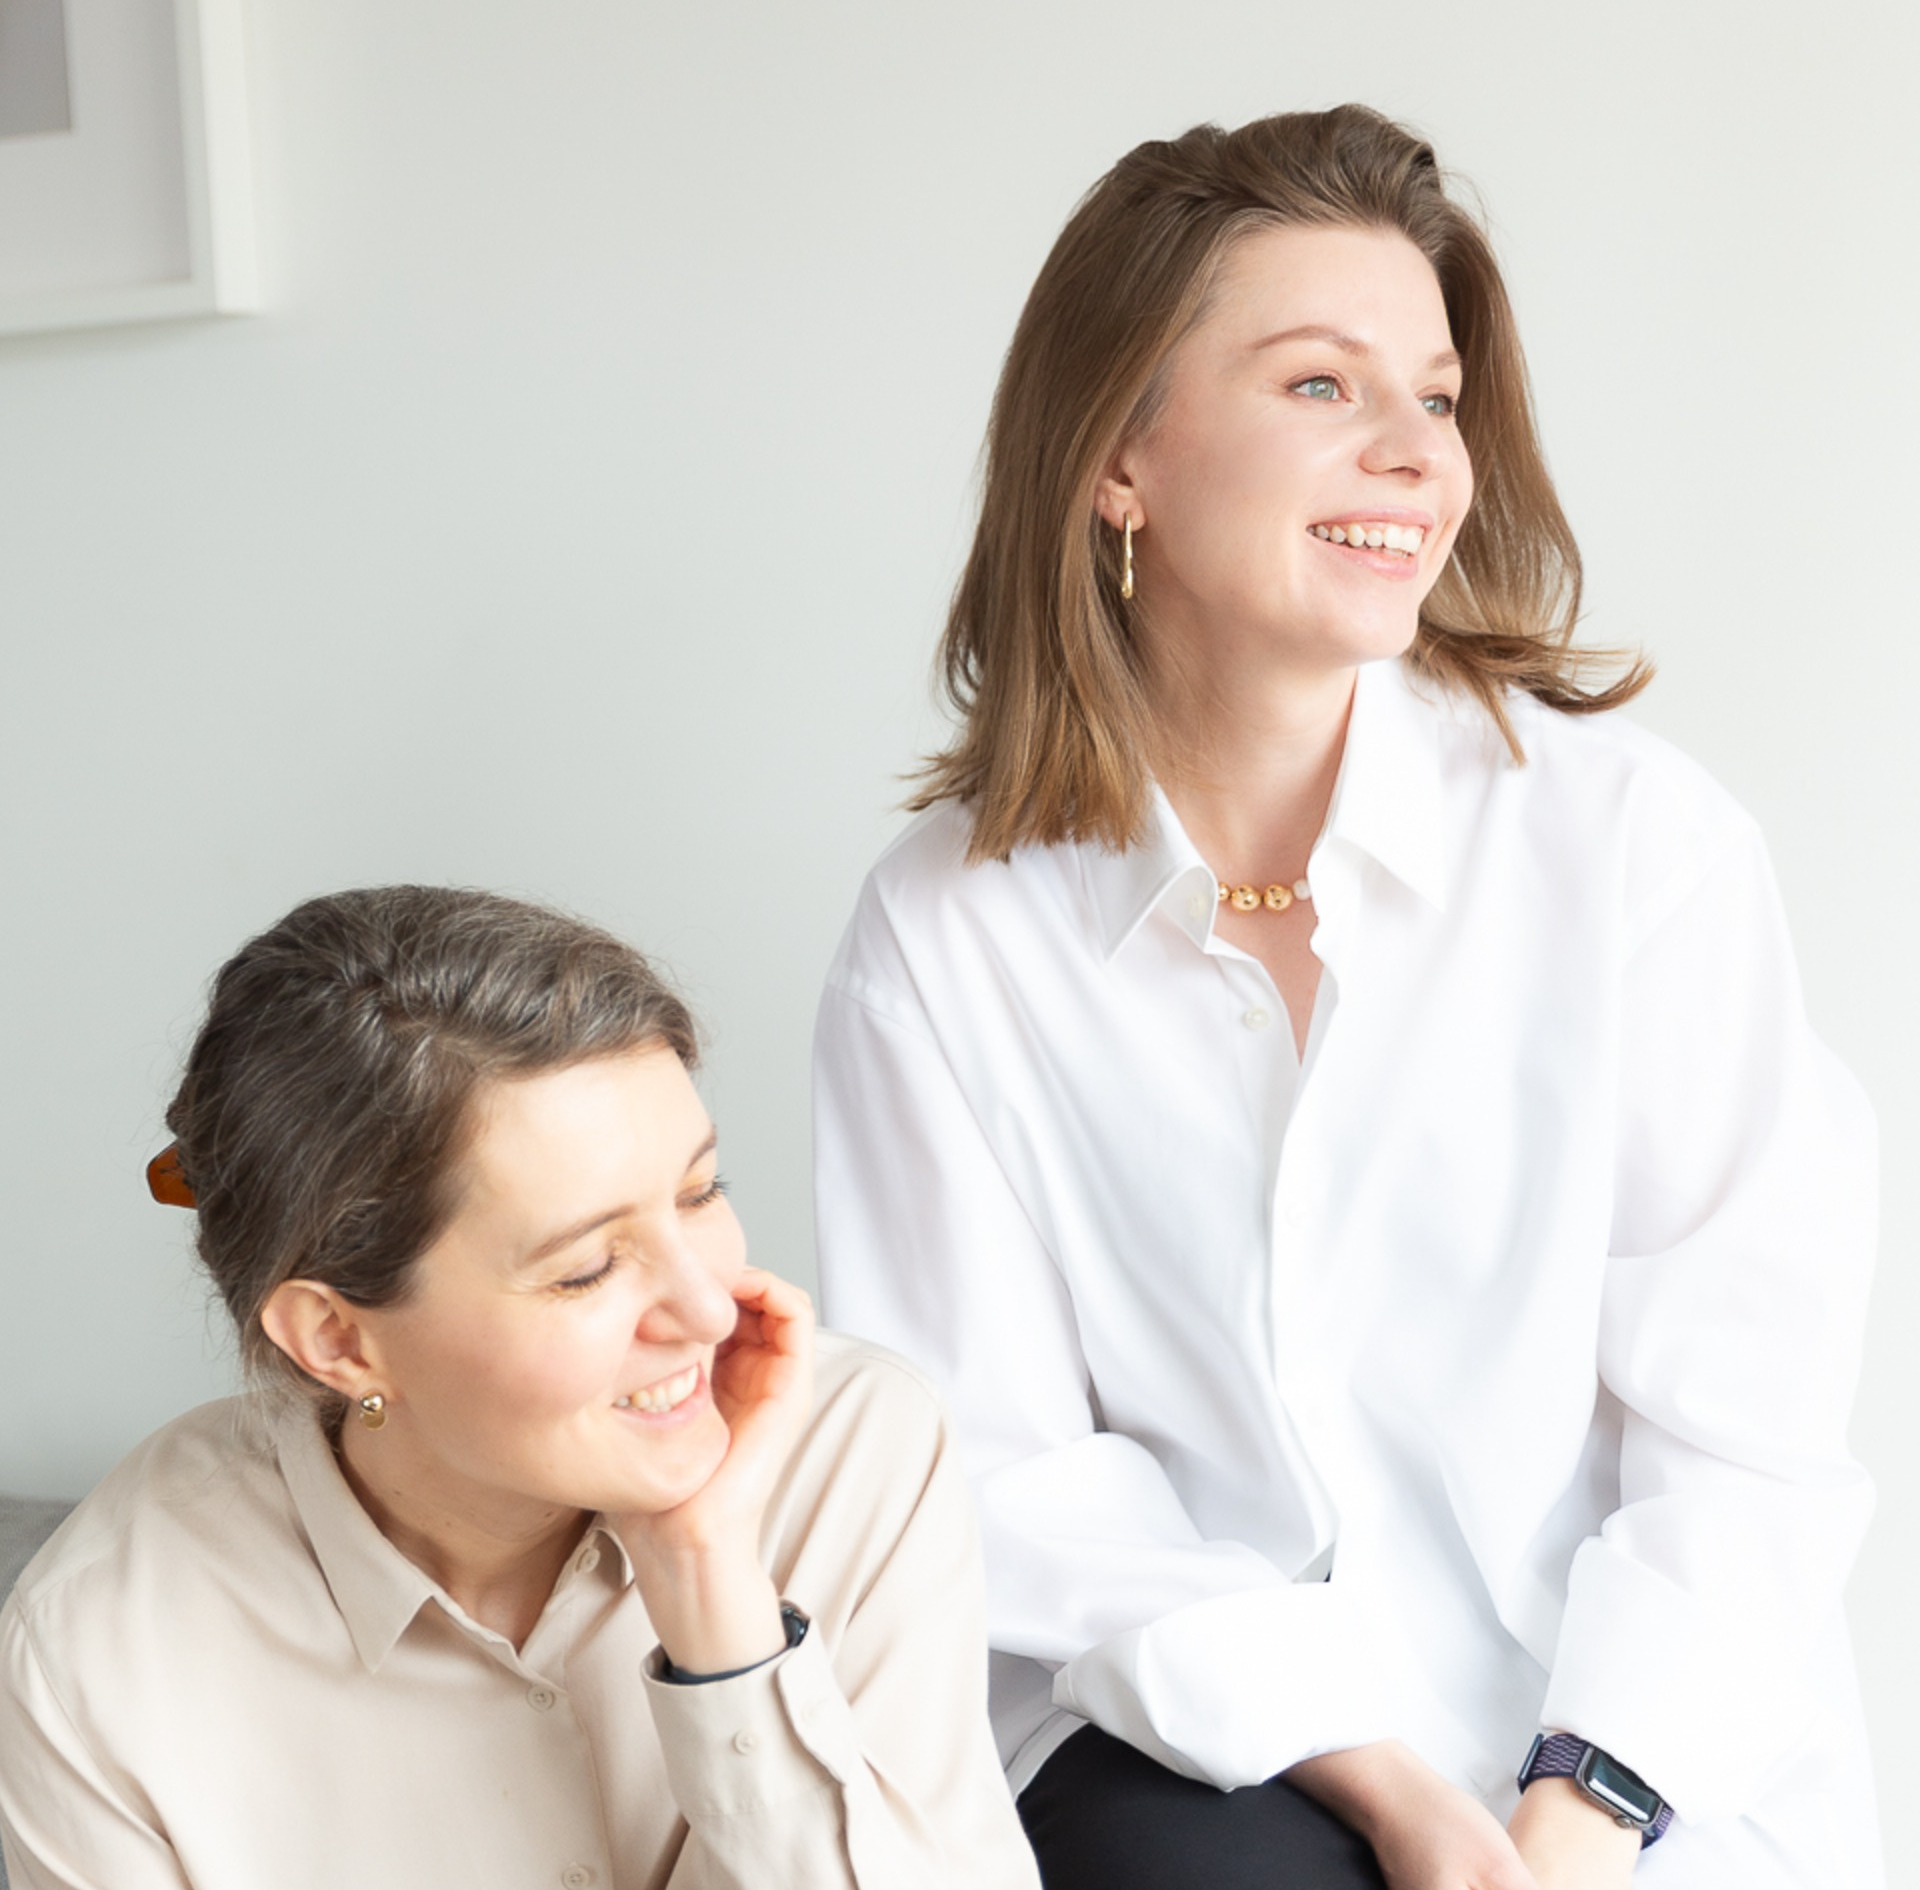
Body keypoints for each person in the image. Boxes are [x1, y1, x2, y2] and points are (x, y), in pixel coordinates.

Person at [812, 104, 1879, 1890]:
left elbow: (1741, 1435)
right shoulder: (945, 931)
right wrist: (1394, 1794)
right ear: (1118, 458)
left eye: (1437, 399)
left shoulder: (1638, 851)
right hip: (1212, 1747)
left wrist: (1578, 1812)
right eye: (1322, 384)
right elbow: (1001, 1473)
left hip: (1637, 1747)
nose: (1414, 456)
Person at [0, 885, 1040, 1890]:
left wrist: (715, 1597)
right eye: (585, 1268)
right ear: (339, 1340)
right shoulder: (102, 1650)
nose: (710, 1312)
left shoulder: (852, 1450)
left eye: (699, 1192)